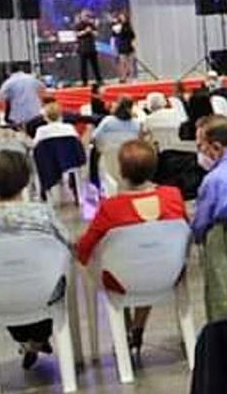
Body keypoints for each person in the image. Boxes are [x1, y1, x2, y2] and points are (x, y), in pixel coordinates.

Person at [0, 150, 70, 369]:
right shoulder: (43, 214)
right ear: (27, 181)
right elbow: (66, 244)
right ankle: (37, 339)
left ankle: (27, 341)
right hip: (43, 291)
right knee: (45, 277)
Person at [76, 139, 187, 356]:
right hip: (169, 273)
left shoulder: (111, 208)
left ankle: (126, 327)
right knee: (150, 259)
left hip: (122, 280)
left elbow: (84, 250)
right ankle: (137, 326)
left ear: (121, 170)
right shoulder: (172, 196)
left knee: (115, 263)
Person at [74, 10, 102, 86]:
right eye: (84, 16)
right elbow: (77, 34)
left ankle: (99, 79)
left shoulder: (91, 24)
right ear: (81, 16)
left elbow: (96, 34)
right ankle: (84, 81)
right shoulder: (78, 25)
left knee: (95, 65)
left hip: (92, 47)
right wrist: (85, 31)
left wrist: (91, 31)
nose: (86, 17)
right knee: (83, 66)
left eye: (87, 16)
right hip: (83, 48)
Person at [112, 12, 137, 83]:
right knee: (122, 63)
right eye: (121, 17)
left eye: (123, 17)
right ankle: (123, 78)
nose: (122, 18)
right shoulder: (117, 26)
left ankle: (131, 78)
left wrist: (131, 43)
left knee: (130, 64)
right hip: (122, 47)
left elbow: (133, 36)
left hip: (129, 46)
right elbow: (114, 35)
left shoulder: (129, 26)